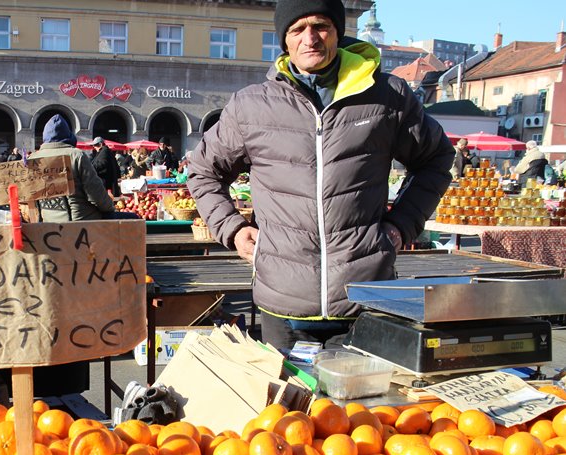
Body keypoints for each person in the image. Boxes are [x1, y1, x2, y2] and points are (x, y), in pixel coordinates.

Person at [186, 0, 454, 351]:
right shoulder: (251, 106)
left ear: (337, 32)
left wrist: (403, 224)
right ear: (284, 40)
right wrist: (233, 230)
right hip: (283, 304)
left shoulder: (387, 97)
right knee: (288, 405)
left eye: (320, 25)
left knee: (365, 406)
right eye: (297, 29)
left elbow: (436, 159)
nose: (309, 38)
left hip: (364, 297)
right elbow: (203, 172)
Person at [28, 114, 115, 222]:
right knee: (132, 218)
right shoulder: (76, 155)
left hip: (47, 220)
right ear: (68, 135)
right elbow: (96, 193)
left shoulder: (33, 158)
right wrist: (110, 207)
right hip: (80, 220)